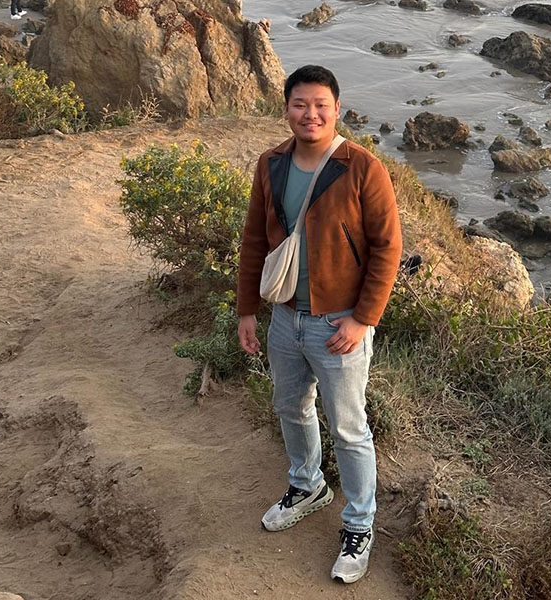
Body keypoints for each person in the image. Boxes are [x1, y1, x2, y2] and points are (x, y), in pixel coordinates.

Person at [235, 65, 402, 584]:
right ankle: (307, 486)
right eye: (300, 104)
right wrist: (246, 311)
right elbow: (255, 242)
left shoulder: (362, 167)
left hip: (339, 325)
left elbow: (387, 248)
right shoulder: (271, 164)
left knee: (349, 429)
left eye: (320, 105)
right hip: (286, 318)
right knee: (290, 406)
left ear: (337, 109)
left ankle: (359, 525)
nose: (310, 114)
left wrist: (361, 319)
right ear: (286, 108)